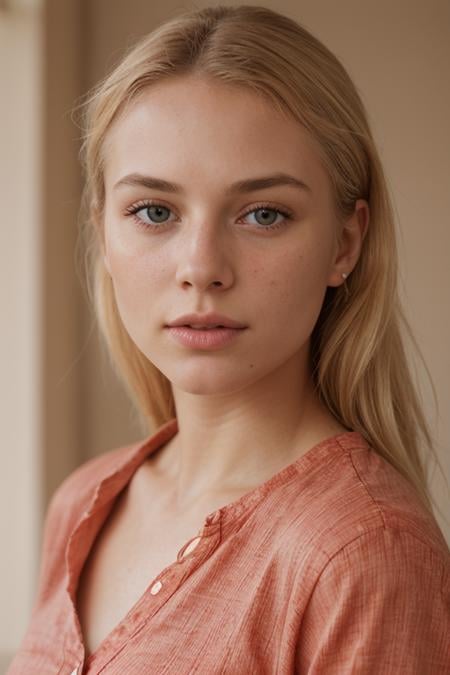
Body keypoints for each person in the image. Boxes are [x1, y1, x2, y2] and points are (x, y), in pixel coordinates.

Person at [8, 4, 449, 674]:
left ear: (345, 243)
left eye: (263, 213)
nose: (202, 267)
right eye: (154, 211)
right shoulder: (82, 504)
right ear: (103, 232)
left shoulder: (364, 553)